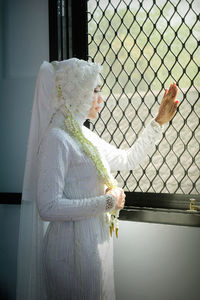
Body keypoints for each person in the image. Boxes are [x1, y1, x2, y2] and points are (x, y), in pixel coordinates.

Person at [16, 58, 178, 300]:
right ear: (75, 92)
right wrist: (107, 203)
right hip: (69, 255)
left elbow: (127, 159)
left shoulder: (83, 135)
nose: (100, 98)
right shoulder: (56, 139)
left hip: (93, 248)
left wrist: (158, 123)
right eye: (95, 91)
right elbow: (48, 207)